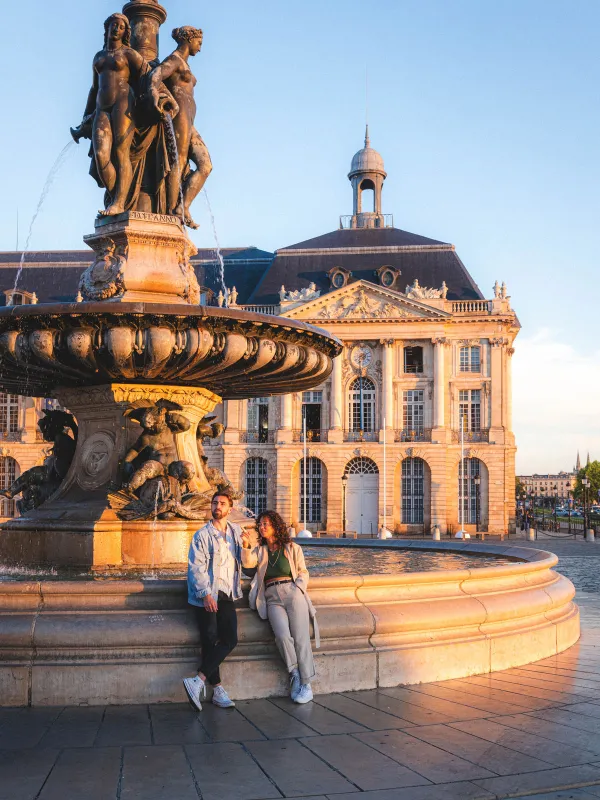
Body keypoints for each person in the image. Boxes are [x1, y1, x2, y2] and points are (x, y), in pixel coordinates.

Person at [72, 13, 148, 216]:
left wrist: (156, 99)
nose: (117, 29)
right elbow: (93, 88)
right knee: (101, 155)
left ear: (125, 32)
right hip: (102, 107)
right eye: (114, 25)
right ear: (107, 29)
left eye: (121, 26)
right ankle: (118, 194)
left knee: (121, 152)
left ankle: (119, 202)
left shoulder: (129, 53)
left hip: (123, 103)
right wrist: (85, 117)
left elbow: (148, 75)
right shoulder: (98, 57)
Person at [241, 510, 319, 704]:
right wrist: (245, 545)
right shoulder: (260, 550)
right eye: (260, 524)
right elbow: (248, 564)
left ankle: (307, 684)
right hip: (271, 596)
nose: (262, 526)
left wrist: (298, 588)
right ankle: (295, 674)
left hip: (292, 593)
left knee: (301, 638)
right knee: (282, 636)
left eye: (266, 523)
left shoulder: (292, 548)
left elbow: (303, 572)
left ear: (276, 526)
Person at [183, 491, 248, 711]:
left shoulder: (237, 532)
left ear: (230, 508)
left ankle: (198, 680)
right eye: (214, 503)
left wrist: (247, 547)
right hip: (208, 594)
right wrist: (206, 594)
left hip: (228, 592)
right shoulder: (202, 535)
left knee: (230, 639)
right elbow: (196, 568)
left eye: (222, 503)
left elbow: (248, 563)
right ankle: (218, 690)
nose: (217, 506)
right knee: (210, 639)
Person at [150, 26, 212, 228]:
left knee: (205, 165)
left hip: (189, 119)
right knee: (180, 159)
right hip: (180, 116)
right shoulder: (175, 59)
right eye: (199, 43)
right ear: (188, 39)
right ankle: (171, 210)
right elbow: (156, 75)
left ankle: (183, 206)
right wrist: (156, 95)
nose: (200, 49)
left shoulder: (184, 63)